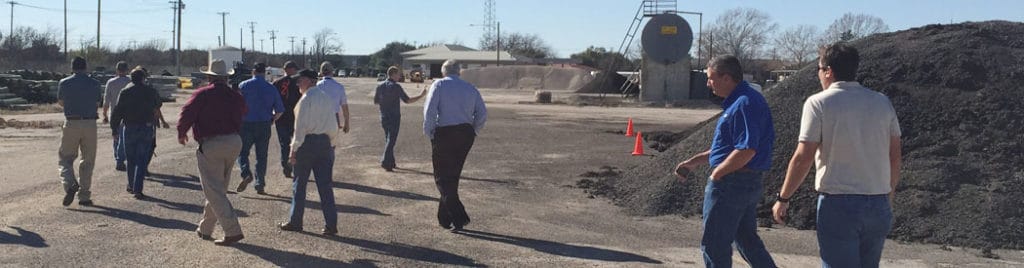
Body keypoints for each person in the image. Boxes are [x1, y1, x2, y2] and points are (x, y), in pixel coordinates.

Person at [772, 43, 901, 268]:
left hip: (839, 203)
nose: (818, 75)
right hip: (878, 201)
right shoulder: (882, 102)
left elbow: (804, 157)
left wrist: (783, 198)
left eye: (819, 70)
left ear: (829, 71)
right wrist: (888, 196)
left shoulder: (819, 103)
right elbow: (895, 156)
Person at [674, 55, 777, 267]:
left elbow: (746, 149)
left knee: (715, 245)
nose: (708, 83)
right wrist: (693, 162)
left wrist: (717, 174)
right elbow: (727, 148)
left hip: (732, 184)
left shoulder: (744, 104)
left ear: (727, 78)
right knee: (747, 241)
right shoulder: (744, 101)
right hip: (746, 182)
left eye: (711, 78)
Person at [178, 59, 248, 246]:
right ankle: (205, 228)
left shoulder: (203, 94)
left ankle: (232, 231)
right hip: (234, 141)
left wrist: (181, 132)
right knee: (218, 188)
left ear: (209, 77)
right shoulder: (235, 96)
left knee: (213, 190)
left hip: (211, 143)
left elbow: (187, 112)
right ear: (226, 77)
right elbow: (244, 112)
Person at [422, 59, 487, 233]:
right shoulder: (470, 88)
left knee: (442, 177)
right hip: (465, 133)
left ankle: (459, 216)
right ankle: (444, 218)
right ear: (459, 72)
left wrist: (429, 132)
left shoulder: (439, 85)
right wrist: (474, 130)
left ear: (444, 72)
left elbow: (430, 111)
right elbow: (482, 113)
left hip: (445, 132)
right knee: (452, 175)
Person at [278, 69, 340, 236]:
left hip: (307, 144)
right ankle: (331, 224)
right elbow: (333, 124)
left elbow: (300, 128)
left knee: (299, 185)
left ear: (311, 81)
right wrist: (331, 143)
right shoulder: (326, 98)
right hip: (325, 144)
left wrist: (293, 150)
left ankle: (296, 221)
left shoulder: (305, 100)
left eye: (301, 80)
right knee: (325, 186)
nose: (298, 83)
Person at [109, 66, 162, 199]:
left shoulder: (125, 91)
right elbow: (158, 104)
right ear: (143, 78)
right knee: (142, 159)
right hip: (146, 127)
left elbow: (117, 112)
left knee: (131, 158)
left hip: (129, 127)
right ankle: (138, 188)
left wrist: (114, 129)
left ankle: (131, 185)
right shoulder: (150, 91)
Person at [57, 56, 102, 207]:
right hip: (90, 123)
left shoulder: (64, 83)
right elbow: (97, 103)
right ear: (85, 67)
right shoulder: (95, 84)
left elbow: (61, 102)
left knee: (65, 158)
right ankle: (84, 196)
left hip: (71, 121)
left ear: (72, 67)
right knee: (88, 160)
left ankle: (70, 184)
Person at [235, 63, 285, 194]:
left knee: (242, 152)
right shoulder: (271, 88)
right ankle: (260, 183)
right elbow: (280, 110)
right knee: (261, 156)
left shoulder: (243, 85)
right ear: (265, 73)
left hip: (246, 124)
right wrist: (273, 119)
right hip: (264, 123)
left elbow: (237, 106)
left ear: (253, 71)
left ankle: (246, 173)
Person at [374, 66, 428, 172]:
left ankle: (391, 161)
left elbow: (376, 101)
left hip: (384, 116)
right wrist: (421, 95)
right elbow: (407, 100)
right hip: (394, 117)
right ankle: (385, 162)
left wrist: (385, 102)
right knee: (391, 140)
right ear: (393, 74)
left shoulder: (379, 86)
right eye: (398, 74)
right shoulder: (396, 87)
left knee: (388, 139)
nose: (399, 76)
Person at [273, 61, 302, 178]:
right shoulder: (299, 82)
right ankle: (296, 167)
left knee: (284, 144)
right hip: (296, 117)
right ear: (293, 69)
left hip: (281, 117)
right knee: (297, 143)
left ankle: (286, 166)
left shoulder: (276, 83)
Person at [102, 61, 131, 171]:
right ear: (127, 70)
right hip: (128, 114)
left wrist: (104, 114)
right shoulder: (130, 81)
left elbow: (106, 101)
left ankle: (118, 158)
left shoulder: (111, 82)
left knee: (116, 137)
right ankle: (123, 158)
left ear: (117, 70)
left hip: (114, 113)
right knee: (127, 137)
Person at [315, 61, 350, 134]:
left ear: (321, 72)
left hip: (319, 118)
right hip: (334, 118)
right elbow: (344, 107)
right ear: (332, 71)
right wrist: (346, 123)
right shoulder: (339, 87)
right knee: (332, 142)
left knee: (319, 143)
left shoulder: (316, 86)